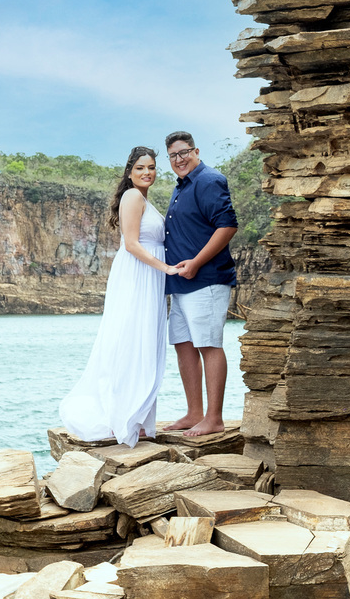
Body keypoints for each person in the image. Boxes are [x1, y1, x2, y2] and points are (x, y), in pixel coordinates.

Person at [59, 146, 180, 448]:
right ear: (129, 172)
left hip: (148, 277)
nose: (147, 172)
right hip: (137, 277)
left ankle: (134, 416)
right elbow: (131, 244)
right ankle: (121, 415)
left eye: (151, 167)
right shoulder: (132, 196)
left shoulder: (144, 199)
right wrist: (165, 267)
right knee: (130, 340)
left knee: (144, 341)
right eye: (140, 168)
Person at [162, 131, 238, 438]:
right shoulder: (182, 186)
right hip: (180, 284)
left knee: (208, 344)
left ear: (196, 151)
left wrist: (196, 263)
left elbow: (228, 225)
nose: (179, 160)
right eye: (173, 156)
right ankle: (194, 412)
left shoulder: (208, 180)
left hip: (206, 279)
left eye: (184, 153)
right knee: (183, 345)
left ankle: (214, 418)